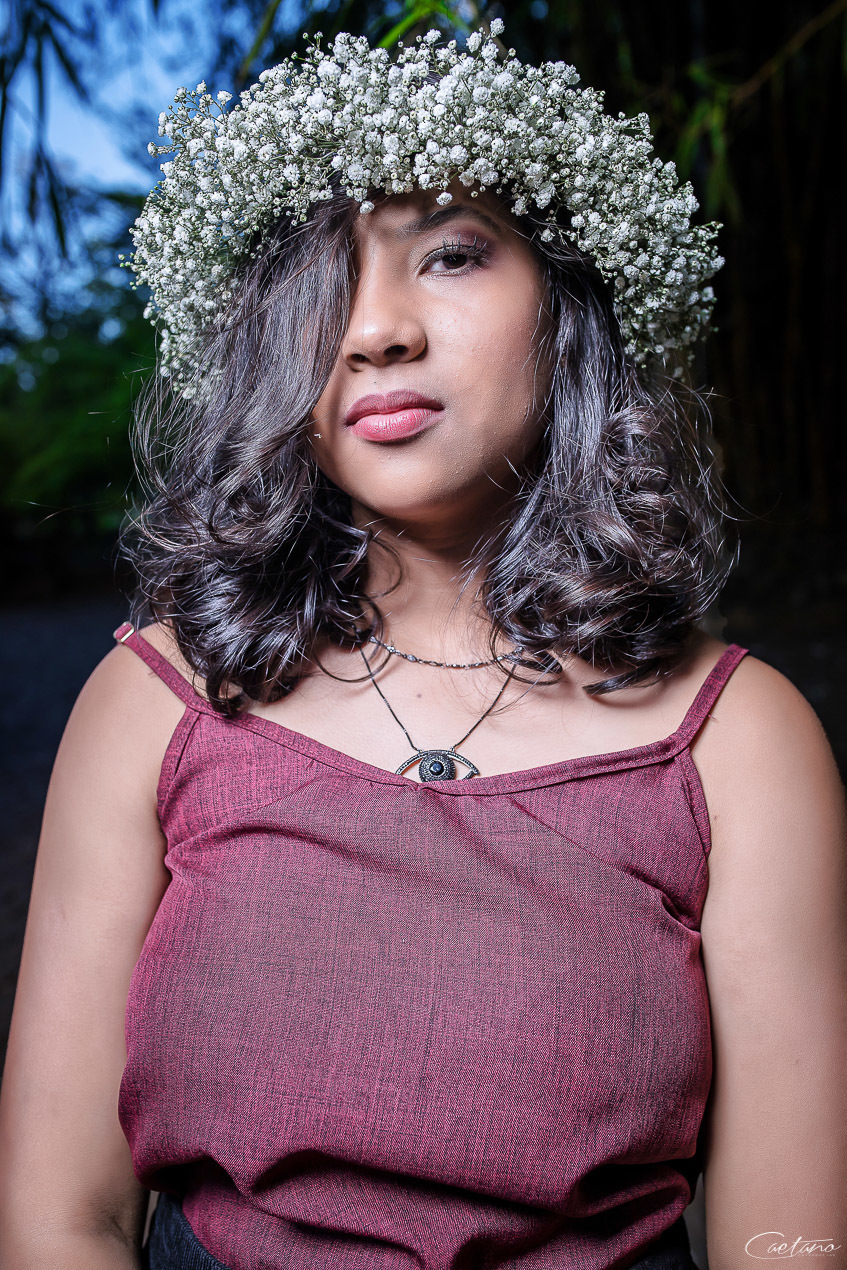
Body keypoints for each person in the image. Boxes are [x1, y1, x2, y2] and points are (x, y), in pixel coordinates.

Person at [1, 21, 845, 1270]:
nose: (375, 330)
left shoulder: (739, 741)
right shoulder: (155, 702)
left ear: (568, 306)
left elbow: (787, 1245)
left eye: (449, 253)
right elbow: (59, 1220)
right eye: (322, 283)